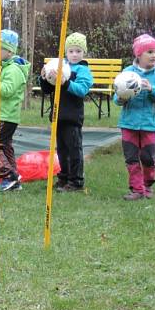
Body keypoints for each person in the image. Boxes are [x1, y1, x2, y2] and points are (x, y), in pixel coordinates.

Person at [39, 32, 93, 192]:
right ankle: (64, 178)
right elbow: (47, 89)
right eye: (71, 51)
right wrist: (43, 78)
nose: (74, 54)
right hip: (58, 115)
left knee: (73, 149)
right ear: (66, 52)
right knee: (61, 150)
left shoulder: (83, 70)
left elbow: (82, 90)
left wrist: (65, 82)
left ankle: (76, 181)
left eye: (78, 51)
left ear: (84, 52)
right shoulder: (59, 65)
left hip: (72, 117)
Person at [113, 33, 155, 201]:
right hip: (129, 123)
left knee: (148, 158)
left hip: (150, 124)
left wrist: (152, 89)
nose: (154, 55)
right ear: (138, 54)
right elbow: (118, 96)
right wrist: (122, 97)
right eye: (149, 52)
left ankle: (148, 184)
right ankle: (137, 189)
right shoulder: (128, 72)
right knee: (131, 158)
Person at [0, 29, 31, 191]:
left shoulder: (13, 69)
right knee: (5, 146)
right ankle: (14, 178)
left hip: (5, 116)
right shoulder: (4, 67)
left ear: (9, 51)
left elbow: (7, 90)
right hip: (1, 115)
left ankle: (8, 175)